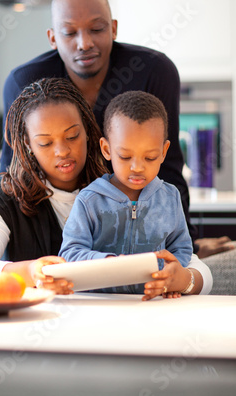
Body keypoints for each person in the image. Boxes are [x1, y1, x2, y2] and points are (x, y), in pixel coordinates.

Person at [0, 0, 234, 259]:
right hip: (46, 230)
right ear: (52, 38)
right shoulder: (25, 81)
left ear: (113, 28)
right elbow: (12, 171)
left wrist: (186, 244)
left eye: (97, 29)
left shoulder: (154, 71)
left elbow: (167, 168)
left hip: (129, 238)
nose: (84, 43)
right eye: (69, 33)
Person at [59, 91, 211, 300]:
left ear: (164, 151)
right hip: (98, 307)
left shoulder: (170, 198)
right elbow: (69, 254)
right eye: (125, 156)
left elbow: (182, 248)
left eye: (150, 157)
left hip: (155, 307)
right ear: (106, 149)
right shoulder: (89, 200)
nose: (137, 167)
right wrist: (111, 263)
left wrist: (172, 275)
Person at [0, 77, 106, 292]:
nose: (62, 151)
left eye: (72, 136)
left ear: (87, 130)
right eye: (45, 143)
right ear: (28, 143)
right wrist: (29, 272)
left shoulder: (117, 187)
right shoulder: (6, 197)